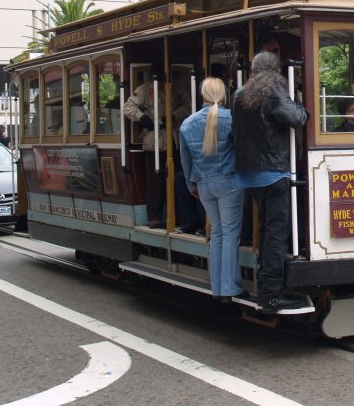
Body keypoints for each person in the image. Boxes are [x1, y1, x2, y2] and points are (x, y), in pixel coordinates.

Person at [231, 51, 309, 314]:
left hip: (249, 173)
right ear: (276, 71)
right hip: (274, 173)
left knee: (266, 231)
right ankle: (271, 297)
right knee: (276, 234)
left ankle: (266, 287)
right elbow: (297, 118)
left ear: (253, 71)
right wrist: (300, 103)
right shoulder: (273, 93)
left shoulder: (239, 95)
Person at [179, 77, 244, 299]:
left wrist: (191, 184)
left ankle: (217, 286)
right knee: (230, 234)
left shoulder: (187, 123)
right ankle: (229, 287)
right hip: (229, 182)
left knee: (216, 233)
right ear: (224, 95)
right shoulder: (231, 118)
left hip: (203, 184)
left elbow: (185, 160)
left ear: (203, 95)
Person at [124, 63, 189, 228]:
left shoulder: (175, 88)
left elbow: (187, 106)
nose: (161, 81)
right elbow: (128, 107)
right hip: (154, 142)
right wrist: (142, 118)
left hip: (173, 140)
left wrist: (173, 116)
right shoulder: (144, 89)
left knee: (176, 179)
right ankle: (154, 216)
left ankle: (178, 214)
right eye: (158, 78)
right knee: (155, 181)